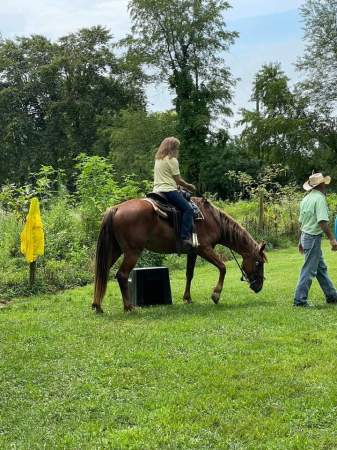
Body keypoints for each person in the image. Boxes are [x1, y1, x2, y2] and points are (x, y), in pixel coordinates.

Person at [294, 172, 337, 307]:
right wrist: (332, 239)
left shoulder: (306, 199)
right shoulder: (319, 199)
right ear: (322, 184)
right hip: (313, 238)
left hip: (307, 236)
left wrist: (300, 240)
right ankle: (299, 301)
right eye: (324, 183)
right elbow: (322, 222)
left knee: (320, 269)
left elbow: (302, 223)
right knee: (309, 269)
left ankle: (331, 296)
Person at [153, 137, 196, 248]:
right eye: (177, 148)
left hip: (157, 191)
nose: (178, 150)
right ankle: (184, 238)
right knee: (188, 209)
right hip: (169, 191)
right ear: (172, 148)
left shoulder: (158, 159)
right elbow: (178, 180)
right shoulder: (172, 160)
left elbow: (166, 177)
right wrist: (189, 186)